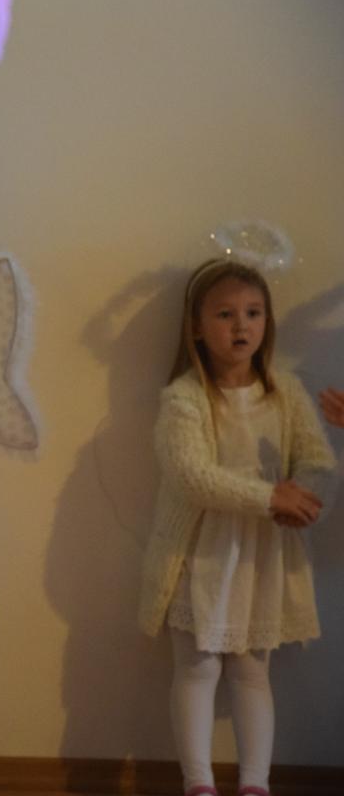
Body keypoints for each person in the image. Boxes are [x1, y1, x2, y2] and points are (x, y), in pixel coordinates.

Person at [138, 258, 336, 796]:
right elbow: (192, 476)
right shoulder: (185, 397)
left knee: (252, 671)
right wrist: (270, 497)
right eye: (225, 314)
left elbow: (317, 462)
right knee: (197, 668)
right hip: (199, 553)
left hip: (261, 556)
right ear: (197, 327)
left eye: (253, 313)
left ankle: (255, 784)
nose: (241, 325)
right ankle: (198, 783)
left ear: (268, 321)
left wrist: (304, 501)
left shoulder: (285, 392)